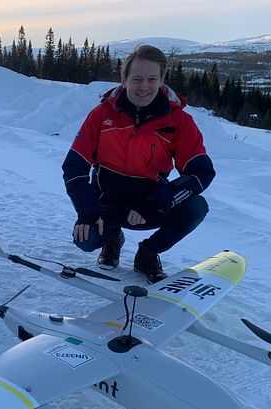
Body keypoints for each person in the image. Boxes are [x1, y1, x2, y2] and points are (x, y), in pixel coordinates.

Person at [62, 44, 214, 283]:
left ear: (162, 79)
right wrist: (88, 213)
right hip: (107, 205)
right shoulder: (102, 115)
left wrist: (159, 202)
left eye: (152, 78)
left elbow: (201, 172)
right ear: (124, 80)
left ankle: (148, 254)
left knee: (196, 208)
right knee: (85, 239)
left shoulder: (179, 121)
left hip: (148, 207)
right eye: (137, 79)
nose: (144, 86)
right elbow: (74, 167)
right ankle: (111, 239)